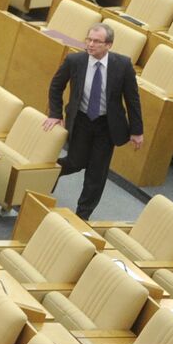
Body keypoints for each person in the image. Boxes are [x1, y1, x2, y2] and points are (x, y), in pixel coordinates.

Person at [43, 22, 143, 220]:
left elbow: (132, 99)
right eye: (88, 39)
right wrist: (55, 113)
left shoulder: (122, 64)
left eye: (97, 41)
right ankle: (42, 179)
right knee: (74, 161)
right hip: (80, 120)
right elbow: (56, 87)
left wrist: (137, 130)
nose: (90, 44)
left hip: (107, 126)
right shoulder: (75, 60)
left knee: (96, 174)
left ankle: (82, 216)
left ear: (109, 45)